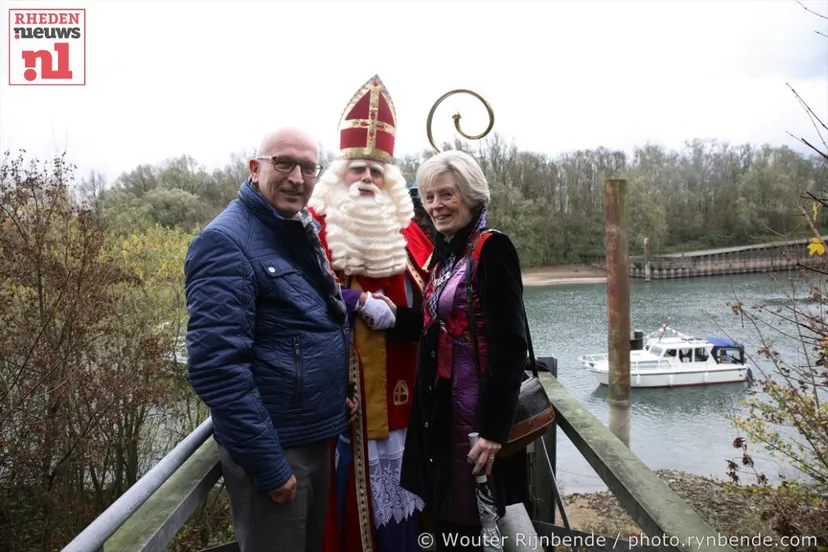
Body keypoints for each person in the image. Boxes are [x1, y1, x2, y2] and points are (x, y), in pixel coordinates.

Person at [184, 128, 356, 552]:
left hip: (310, 435)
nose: (297, 177)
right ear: (255, 167)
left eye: (309, 167)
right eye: (284, 163)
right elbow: (218, 369)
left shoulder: (292, 227)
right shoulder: (224, 242)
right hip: (278, 449)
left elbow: (312, 320)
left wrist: (341, 393)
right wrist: (270, 466)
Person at [375, 150, 531, 551]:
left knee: (477, 519)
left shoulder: (490, 249)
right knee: (453, 517)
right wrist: (397, 317)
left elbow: (511, 345)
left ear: (472, 194)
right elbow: (440, 327)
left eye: (446, 194)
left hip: (475, 413)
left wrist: (495, 431)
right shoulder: (449, 254)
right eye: (429, 197)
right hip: (444, 409)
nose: (435, 206)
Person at [307, 74, 434, 552]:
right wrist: (355, 300)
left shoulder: (411, 236)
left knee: (409, 518)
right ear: (339, 175)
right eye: (357, 169)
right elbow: (297, 296)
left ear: (391, 183)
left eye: (376, 172)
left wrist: (400, 318)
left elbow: (437, 312)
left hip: (408, 409)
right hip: (345, 413)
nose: (366, 179)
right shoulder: (313, 231)